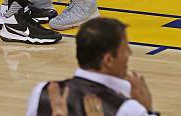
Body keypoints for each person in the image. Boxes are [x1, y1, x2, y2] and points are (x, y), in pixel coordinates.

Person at [27, 17, 159, 116]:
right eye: (125, 49)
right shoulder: (128, 109)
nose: (129, 53)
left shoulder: (41, 92)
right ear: (108, 60)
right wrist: (148, 111)